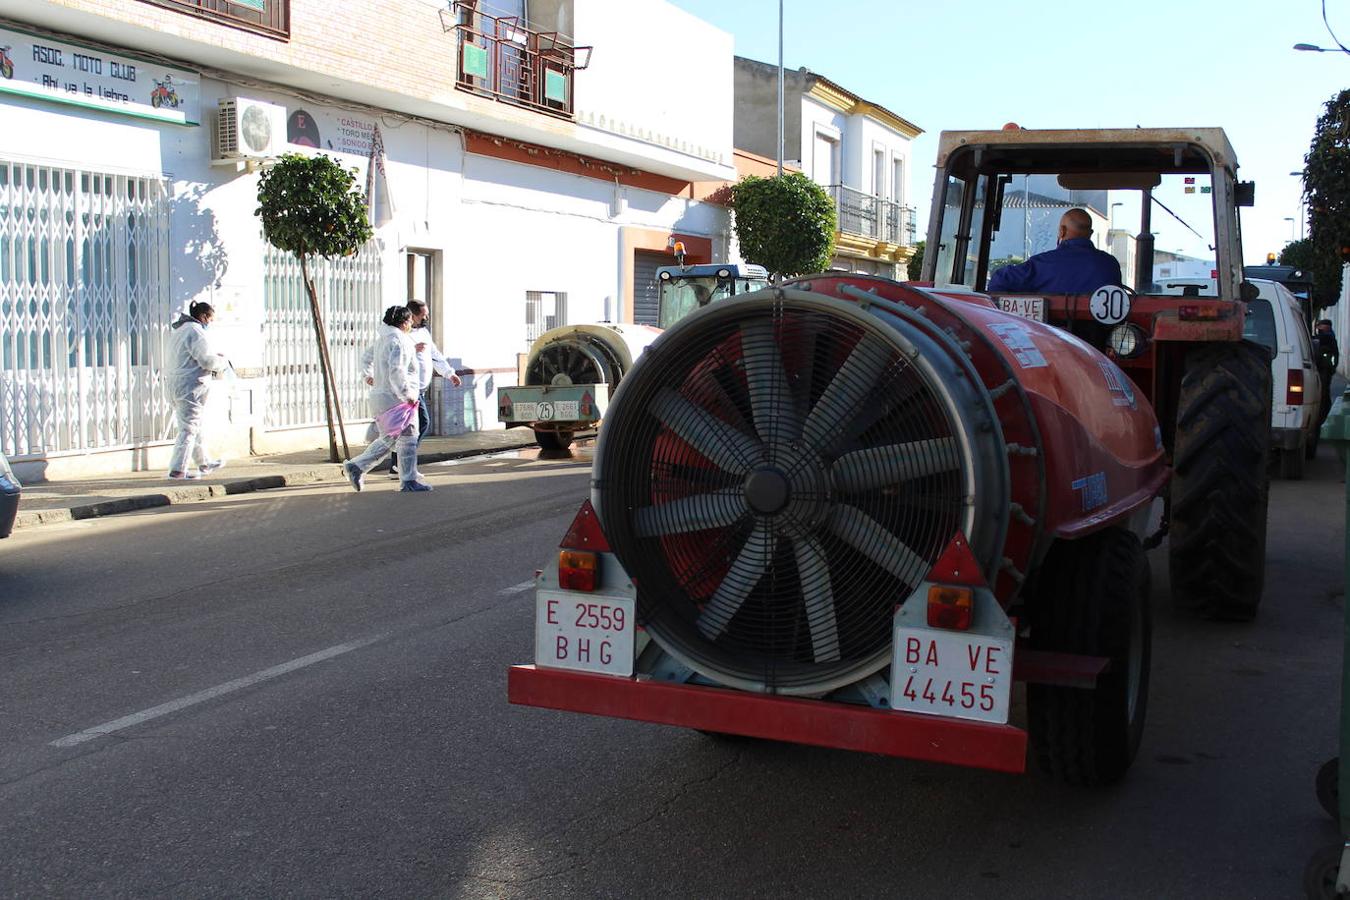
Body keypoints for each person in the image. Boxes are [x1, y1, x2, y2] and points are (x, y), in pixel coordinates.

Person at [344, 306, 432, 493]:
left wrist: (367, 375)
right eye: (410, 322)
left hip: (382, 397)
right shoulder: (400, 341)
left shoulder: (383, 339)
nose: (411, 325)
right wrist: (407, 395)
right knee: (408, 437)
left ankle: (358, 467)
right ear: (404, 322)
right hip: (396, 398)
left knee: (390, 438)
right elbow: (397, 371)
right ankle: (408, 480)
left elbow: (366, 358)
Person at [385, 300, 462, 479]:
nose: (426, 317)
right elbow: (393, 357)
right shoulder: (400, 335)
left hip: (420, 389)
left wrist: (450, 374)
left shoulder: (424, 333)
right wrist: (411, 348)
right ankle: (400, 463)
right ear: (411, 316)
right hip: (408, 391)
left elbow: (435, 355)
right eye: (423, 315)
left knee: (409, 429)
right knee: (421, 424)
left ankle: (399, 464)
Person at [987, 208, 1124, 294]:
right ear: (1091, 233)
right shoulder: (1110, 264)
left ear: (1062, 231)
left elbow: (998, 282)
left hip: (1047, 337)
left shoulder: (1043, 264)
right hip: (1097, 339)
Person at [166, 301, 228, 480]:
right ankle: (177, 470)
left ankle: (204, 462)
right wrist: (222, 362)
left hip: (176, 385)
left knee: (194, 425)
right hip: (190, 387)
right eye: (211, 319)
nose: (210, 323)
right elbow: (207, 361)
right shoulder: (196, 332)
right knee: (189, 429)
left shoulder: (180, 331)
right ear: (204, 316)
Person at [1313, 318, 1340, 430]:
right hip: (1325, 369)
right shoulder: (1328, 336)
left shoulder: (1327, 337)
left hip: (1324, 369)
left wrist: (1332, 368)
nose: (1319, 328)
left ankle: (1322, 416)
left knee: (1323, 393)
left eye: (1320, 326)